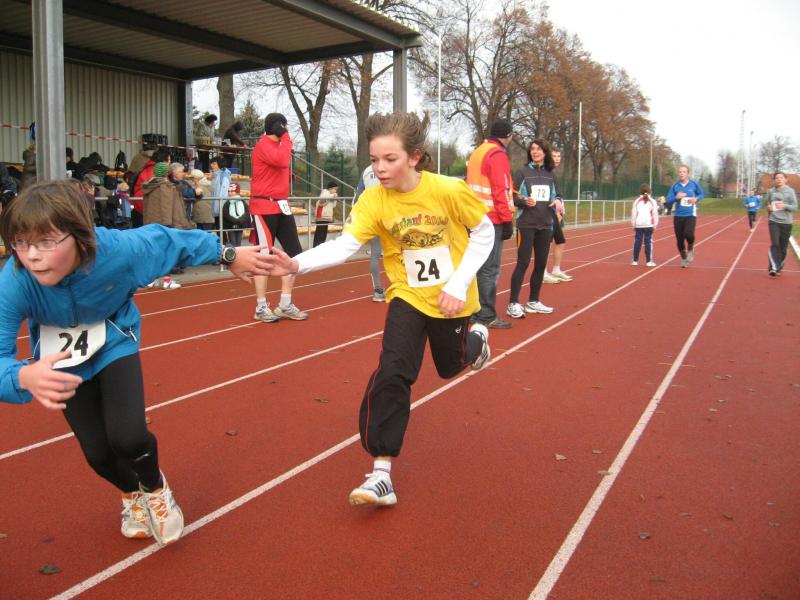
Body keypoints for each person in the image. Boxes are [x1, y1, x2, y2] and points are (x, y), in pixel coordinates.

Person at [0, 179, 273, 544]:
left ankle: (155, 488)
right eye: (20, 242)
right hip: (59, 360)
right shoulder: (16, 281)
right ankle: (132, 494)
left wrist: (227, 254)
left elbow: (170, 241)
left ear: (80, 235)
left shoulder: (119, 252)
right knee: (97, 455)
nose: (31, 255)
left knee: (127, 437)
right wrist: (22, 378)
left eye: (47, 241)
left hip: (113, 342)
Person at [258, 112, 493, 507]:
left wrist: (457, 283)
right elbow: (346, 245)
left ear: (414, 157)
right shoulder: (373, 200)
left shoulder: (447, 190)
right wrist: (297, 263)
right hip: (406, 294)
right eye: (374, 160)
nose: (380, 168)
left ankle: (477, 342)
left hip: (451, 298)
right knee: (392, 371)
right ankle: (381, 473)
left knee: (450, 366)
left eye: (390, 159)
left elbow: (485, 232)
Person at [249, 112, 308, 322]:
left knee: (294, 256)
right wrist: (286, 137)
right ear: (279, 126)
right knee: (264, 257)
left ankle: (285, 303)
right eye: (284, 126)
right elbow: (282, 160)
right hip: (264, 206)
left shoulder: (280, 146)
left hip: (282, 205)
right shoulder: (263, 145)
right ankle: (261, 306)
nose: (286, 130)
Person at [465, 119, 515, 329]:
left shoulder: (478, 152)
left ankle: (474, 310)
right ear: (508, 136)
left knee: (476, 265)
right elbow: (500, 189)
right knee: (490, 269)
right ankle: (486, 314)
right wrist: (507, 219)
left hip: (474, 217)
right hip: (491, 219)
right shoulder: (497, 155)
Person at [507, 139, 558, 318]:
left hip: (545, 225)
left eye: (538, 149)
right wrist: (524, 201)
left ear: (545, 152)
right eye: (532, 149)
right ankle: (513, 303)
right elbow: (512, 196)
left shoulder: (551, 173)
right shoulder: (522, 172)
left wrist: (558, 201)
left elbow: (558, 195)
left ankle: (533, 301)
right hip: (526, 224)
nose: (535, 152)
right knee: (523, 262)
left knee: (541, 264)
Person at [143, 162, 193, 288]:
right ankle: (167, 281)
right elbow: (168, 208)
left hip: (150, 222)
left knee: (154, 251)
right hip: (166, 223)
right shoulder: (166, 187)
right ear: (166, 173)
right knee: (167, 252)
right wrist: (173, 224)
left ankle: (152, 279)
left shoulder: (150, 185)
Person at [354, 164, 386, 302]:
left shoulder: (366, 171)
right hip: (391, 214)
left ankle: (378, 290)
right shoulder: (391, 165)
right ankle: (406, 288)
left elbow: (357, 198)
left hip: (372, 216)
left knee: (375, 254)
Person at [666, 165, 704, 268]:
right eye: (680, 172)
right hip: (678, 215)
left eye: (684, 172)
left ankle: (690, 248)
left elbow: (701, 194)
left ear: (688, 173)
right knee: (679, 240)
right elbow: (668, 200)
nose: (681, 173)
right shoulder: (675, 186)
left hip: (690, 214)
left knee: (689, 234)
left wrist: (696, 199)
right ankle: (684, 259)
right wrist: (676, 197)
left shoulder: (693, 184)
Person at [544, 148, 573, 283]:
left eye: (559, 156)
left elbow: (558, 194)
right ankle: (542, 273)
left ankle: (556, 270)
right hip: (548, 212)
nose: (557, 159)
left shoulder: (553, 173)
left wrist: (560, 209)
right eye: (554, 156)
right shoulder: (545, 173)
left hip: (557, 212)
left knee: (560, 241)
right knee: (545, 243)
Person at [765, 171, 797, 277]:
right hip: (774, 221)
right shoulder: (771, 191)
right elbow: (768, 203)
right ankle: (773, 268)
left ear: (785, 179)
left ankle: (779, 265)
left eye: (781, 178)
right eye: (777, 178)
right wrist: (769, 208)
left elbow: (795, 207)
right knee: (775, 244)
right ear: (774, 180)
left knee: (783, 247)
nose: (779, 179)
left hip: (786, 222)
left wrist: (784, 206)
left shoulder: (790, 191)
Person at [132, 147, 171, 228]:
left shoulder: (149, 169)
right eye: (169, 160)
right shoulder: (153, 172)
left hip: (142, 209)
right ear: (163, 161)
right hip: (145, 210)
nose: (170, 163)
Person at [631, 184, 659, 266]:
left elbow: (634, 214)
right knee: (648, 243)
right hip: (648, 224)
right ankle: (648, 261)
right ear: (650, 191)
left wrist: (633, 224)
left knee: (637, 242)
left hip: (639, 225)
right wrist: (655, 225)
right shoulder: (652, 201)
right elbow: (655, 214)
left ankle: (635, 261)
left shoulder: (637, 201)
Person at [222, 182, 248, 247]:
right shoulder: (227, 203)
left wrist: (240, 220)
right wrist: (235, 221)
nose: (229, 193)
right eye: (228, 191)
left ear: (237, 192)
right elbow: (226, 214)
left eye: (232, 191)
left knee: (239, 242)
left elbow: (247, 212)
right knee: (232, 242)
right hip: (231, 225)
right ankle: (234, 252)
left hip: (240, 224)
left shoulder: (242, 202)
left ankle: (238, 252)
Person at [313, 181, 338, 247]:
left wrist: (335, 199)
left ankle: (321, 246)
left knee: (324, 233)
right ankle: (316, 246)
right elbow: (323, 198)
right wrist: (333, 196)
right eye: (335, 189)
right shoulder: (325, 192)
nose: (335, 191)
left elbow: (334, 206)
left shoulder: (331, 195)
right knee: (320, 233)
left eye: (336, 189)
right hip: (321, 216)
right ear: (330, 188)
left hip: (327, 217)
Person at [209, 155, 231, 229]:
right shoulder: (215, 175)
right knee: (219, 228)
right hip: (216, 207)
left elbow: (223, 193)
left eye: (214, 164)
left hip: (221, 208)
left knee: (221, 228)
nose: (212, 166)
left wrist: (221, 208)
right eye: (211, 164)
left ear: (220, 164)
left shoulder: (224, 176)